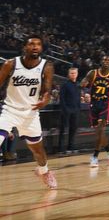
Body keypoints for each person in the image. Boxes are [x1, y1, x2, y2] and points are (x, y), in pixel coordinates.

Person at [0, 36, 57, 188]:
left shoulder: (47, 66)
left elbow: (47, 90)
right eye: (31, 44)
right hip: (10, 111)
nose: (35, 47)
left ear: (42, 48)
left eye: (38, 44)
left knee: (38, 151)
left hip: (31, 114)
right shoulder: (10, 64)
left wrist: (45, 99)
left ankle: (44, 171)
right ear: (25, 47)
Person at [81, 55, 109, 167]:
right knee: (99, 132)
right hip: (94, 104)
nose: (106, 62)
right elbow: (84, 82)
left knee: (100, 130)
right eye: (104, 60)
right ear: (101, 61)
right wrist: (83, 84)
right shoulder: (92, 73)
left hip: (105, 105)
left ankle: (94, 157)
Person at [58, 67, 81, 154]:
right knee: (63, 129)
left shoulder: (78, 85)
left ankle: (71, 146)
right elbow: (62, 98)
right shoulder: (65, 84)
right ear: (69, 74)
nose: (73, 74)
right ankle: (61, 148)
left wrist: (78, 108)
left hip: (75, 110)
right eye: (71, 73)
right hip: (67, 110)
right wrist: (65, 109)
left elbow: (78, 98)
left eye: (74, 73)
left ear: (77, 74)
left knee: (73, 129)